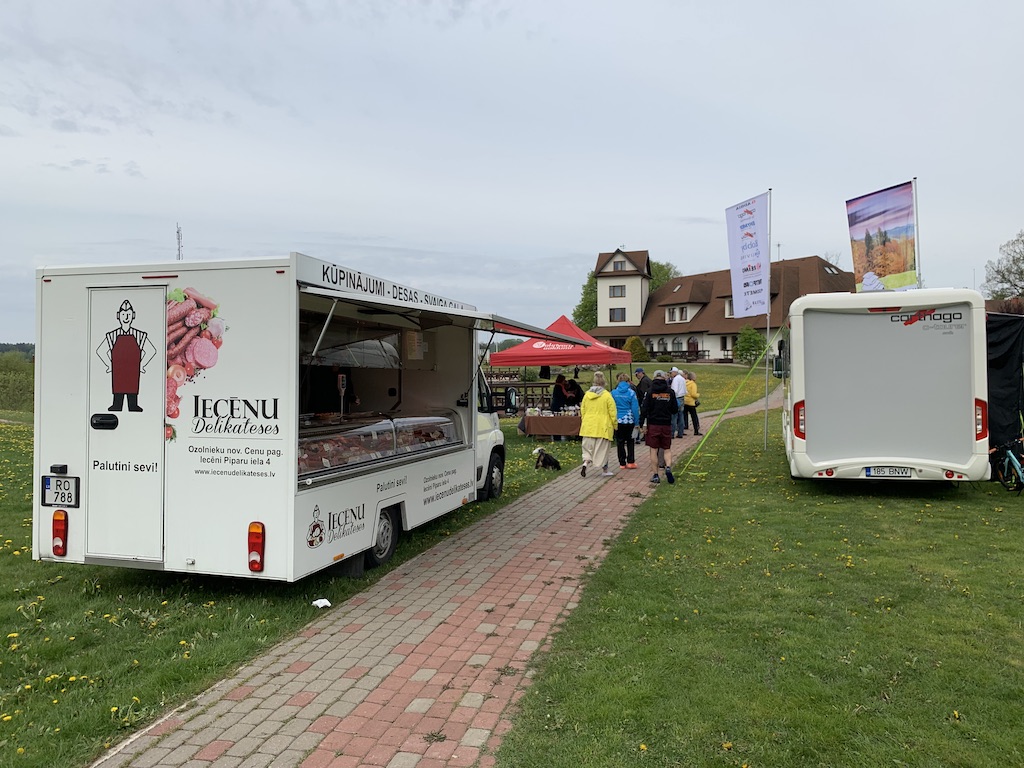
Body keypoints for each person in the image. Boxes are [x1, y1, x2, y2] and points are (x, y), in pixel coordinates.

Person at [97, 299, 157, 412]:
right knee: (118, 392)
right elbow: (100, 351)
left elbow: (151, 351)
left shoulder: (139, 335)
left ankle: (133, 405)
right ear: (118, 316)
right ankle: (116, 404)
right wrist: (109, 365)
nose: (126, 317)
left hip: (133, 370)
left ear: (133, 315)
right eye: (123, 314)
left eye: (128, 314)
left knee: (132, 389)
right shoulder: (112, 335)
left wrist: (142, 365)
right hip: (118, 370)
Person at [641, 370, 678, 484]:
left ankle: (656, 475)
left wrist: (642, 424)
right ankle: (668, 467)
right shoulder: (670, 392)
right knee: (667, 449)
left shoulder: (650, 391)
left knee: (653, 450)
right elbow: (674, 409)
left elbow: (644, 409)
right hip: (666, 424)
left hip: (653, 424)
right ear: (664, 378)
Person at [579, 371, 617, 478]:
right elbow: (612, 412)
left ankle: (586, 462)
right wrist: (615, 425)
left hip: (588, 426)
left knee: (588, 448)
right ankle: (605, 470)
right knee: (602, 450)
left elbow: (583, 410)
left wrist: (585, 420)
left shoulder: (587, 395)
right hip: (603, 426)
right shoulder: (607, 395)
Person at [611, 372, 640, 469]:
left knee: (620, 442)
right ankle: (631, 462)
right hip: (629, 419)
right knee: (630, 441)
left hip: (618, 419)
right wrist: (637, 422)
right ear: (628, 381)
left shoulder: (613, 393)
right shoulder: (631, 393)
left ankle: (622, 463)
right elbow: (635, 408)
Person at [669, 367, 688, 437]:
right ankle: (680, 432)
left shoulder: (676, 379)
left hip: (676, 398)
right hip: (682, 398)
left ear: (674, 372)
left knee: (674, 416)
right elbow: (685, 390)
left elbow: (675, 390)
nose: (670, 374)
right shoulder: (682, 379)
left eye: (671, 373)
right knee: (681, 415)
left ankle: (672, 433)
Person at [683, 370, 702, 436]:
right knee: (694, 417)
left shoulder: (684, 382)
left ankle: (683, 428)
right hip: (691, 402)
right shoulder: (693, 384)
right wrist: (698, 395)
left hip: (685, 401)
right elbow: (693, 394)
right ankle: (696, 430)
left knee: (684, 415)